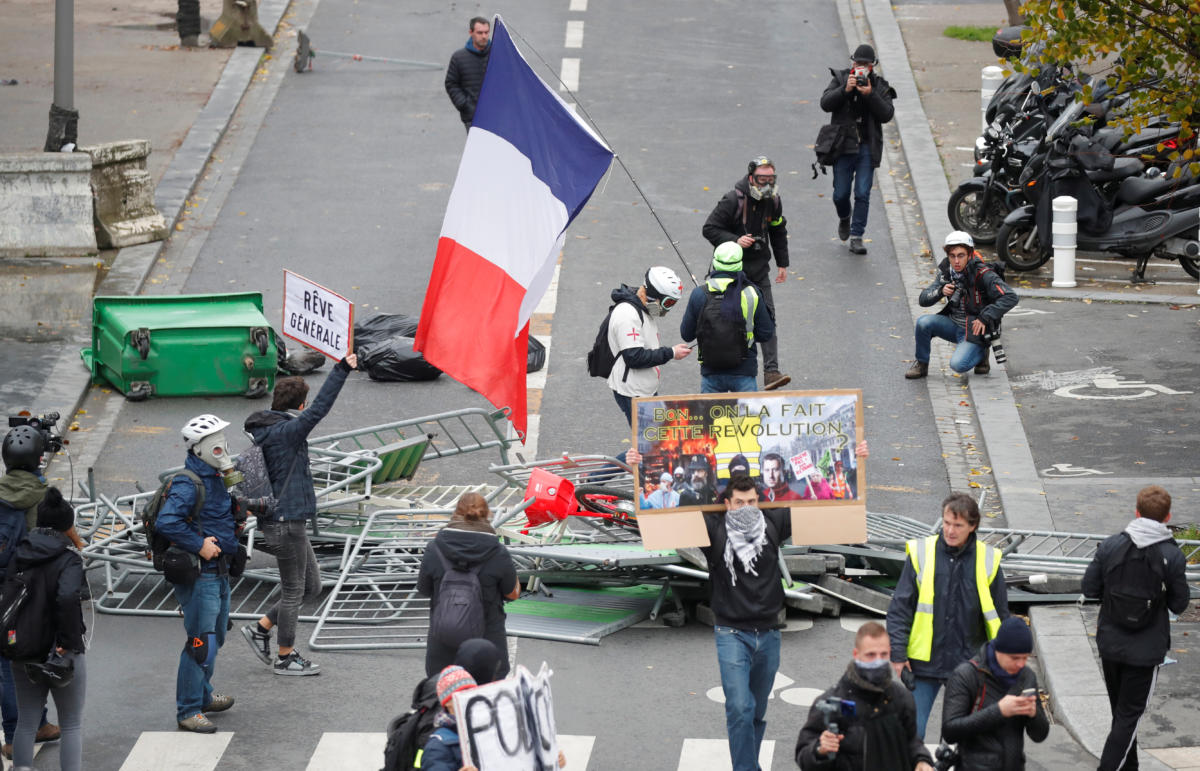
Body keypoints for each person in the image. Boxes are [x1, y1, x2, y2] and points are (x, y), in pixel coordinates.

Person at [240, 354, 357, 676]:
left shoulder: (270, 427)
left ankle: (261, 628)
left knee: (312, 586)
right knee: (294, 589)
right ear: (300, 407)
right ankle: (285, 655)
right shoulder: (287, 432)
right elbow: (321, 408)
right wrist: (342, 368)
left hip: (286, 521)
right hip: (285, 523)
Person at [1082, 485, 1190, 771]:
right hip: (1146, 651)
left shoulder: (1111, 545)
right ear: (1167, 517)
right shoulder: (1172, 555)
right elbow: (1180, 604)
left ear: (1136, 512)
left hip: (1110, 643)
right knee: (1128, 719)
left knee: (1121, 716)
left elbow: (1089, 587)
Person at [886, 492, 1009, 740]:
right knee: (911, 736)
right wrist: (898, 654)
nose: (950, 530)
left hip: (969, 666)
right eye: (947, 523)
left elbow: (1000, 617)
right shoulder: (922, 552)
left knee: (963, 740)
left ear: (973, 527)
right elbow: (900, 607)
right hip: (923, 665)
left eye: (958, 525)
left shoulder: (988, 560)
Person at [157, 414, 241, 733]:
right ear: (200, 448)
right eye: (216, 443)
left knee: (215, 636)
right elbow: (167, 521)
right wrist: (199, 544)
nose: (222, 447)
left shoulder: (217, 476)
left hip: (218, 572)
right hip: (201, 573)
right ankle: (188, 710)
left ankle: (202, 695)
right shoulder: (187, 482)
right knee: (199, 641)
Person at [701, 474, 791, 771]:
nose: (746, 508)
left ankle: (748, 764)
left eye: (752, 501)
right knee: (740, 708)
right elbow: (663, 513)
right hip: (731, 632)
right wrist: (639, 469)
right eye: (739, 503)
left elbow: (827, 502)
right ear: (727, 504)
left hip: (768, 632)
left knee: (755, 711)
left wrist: (857, 459)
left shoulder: (773, 522)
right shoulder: (713, 530)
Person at [8, 487, 86, 771]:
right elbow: (66, 598)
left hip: (22, 648)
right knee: (72, 723)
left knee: (27, 720)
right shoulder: (68, 559)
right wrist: (68, 640)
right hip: (60, 650)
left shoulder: (19, 554)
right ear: (67, 526)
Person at [795, 621, 934, 771]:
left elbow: (911, 741)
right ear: (856, 654)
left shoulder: (901, 698)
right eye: (871, 655)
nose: (878, 661)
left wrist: (921, 760)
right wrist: (819, 750)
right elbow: (803, 756)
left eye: (883, 654)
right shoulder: (831, 703)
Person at [702, 157, 791, 390]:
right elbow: (709, 228)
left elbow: (778, 230)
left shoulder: (773, 200)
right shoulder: (733, 200)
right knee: (726, 319)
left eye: (771, 180)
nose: (767, 185)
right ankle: (720, 369)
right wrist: (735, 240)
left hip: (759, 270)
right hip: (730, 271)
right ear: (751, 177)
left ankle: (772, 372)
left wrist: (783, 263)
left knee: (767, 318)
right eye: (763, 180)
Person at [417, 493, 519, 678]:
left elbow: (424, 589)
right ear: (487, 515)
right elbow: (512, 593)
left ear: (456, 513)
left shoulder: (435, 548)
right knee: (486, 699)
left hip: (443, 642)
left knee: (445, 698)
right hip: (487, 645)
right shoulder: (498, 552)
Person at [941, 617, 1049, 770]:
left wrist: (1034, 714)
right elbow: (950, 731)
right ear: (998, 650)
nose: (1021, 664)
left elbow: (1040, 735)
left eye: (1025, 658)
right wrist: (999, 711)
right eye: (1015, 658)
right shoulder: (966, 675)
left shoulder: (1026, 676)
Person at [906, 231, 1017, 379]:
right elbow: (923, 299)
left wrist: (985, 316)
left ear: (970, 254)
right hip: (953, 325)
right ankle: (921, 364)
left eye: (961, 255)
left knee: (958, 365)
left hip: (976, 330)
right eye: (952, 256)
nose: (956, 261)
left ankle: (982, 352)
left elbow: (1011, 297)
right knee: (923, 323)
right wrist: (941, 291)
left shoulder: (983, 273)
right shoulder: (947, 273)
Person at [819, 44, 896, 255]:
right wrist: (845, 90)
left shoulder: (879, 85)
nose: (860, 68)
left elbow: (887, 114)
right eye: (857, 64)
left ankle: (857, 236)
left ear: (872, 67)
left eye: (865, 65)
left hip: (866, 147)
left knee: (862, 193)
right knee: (840, 194)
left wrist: (870, 94)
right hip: (843, 146)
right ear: (852, 63)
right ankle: (845, 217)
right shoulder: (841, 78)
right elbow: (825, 103)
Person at [679, 242, 775, 394]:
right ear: (740, 264)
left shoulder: (699, 294)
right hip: (744, 370)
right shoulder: (751, 293)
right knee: (747, 417)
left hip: (711, 371)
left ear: (714, 263)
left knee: (710, 417)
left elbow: (686, 334)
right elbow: (766, 333)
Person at [604, 266, 690, 426]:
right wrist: (671, 353)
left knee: (656, 442)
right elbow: (634, 357)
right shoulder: (627, 315)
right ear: (651, 295)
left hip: (643, 388)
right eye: (668, 302)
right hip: (633, 392)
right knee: (649, 447)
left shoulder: (641, 307)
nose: (668, 308)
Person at [445, 17, 491, 130]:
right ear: (471, 33)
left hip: (497, 116)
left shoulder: (498, 55)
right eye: (480, 33)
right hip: (473, 118)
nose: (484, 36)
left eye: (486, 32)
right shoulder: (459, 58)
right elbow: (451, 83)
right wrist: (464, 105)